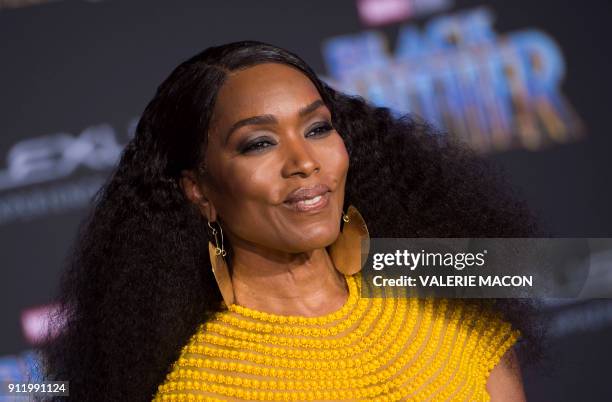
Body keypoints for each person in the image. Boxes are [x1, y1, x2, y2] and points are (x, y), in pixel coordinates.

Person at [40, 41, 543, 401]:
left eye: (318, 128)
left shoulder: (454, 308)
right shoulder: (204, 388)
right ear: (199, 190)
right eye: (259, 143)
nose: (304, 161)